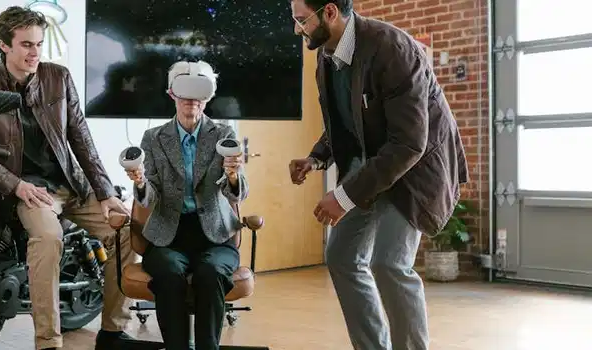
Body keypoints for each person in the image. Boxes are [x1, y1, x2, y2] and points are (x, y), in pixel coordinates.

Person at [0, 6, 138, 350]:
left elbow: (81, 138)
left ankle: (112, 331)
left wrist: (105, 192)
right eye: (26, 45)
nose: (34, 52)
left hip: (73, 185)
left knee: (126, 232)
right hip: (29, 192)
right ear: (3, 45)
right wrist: (15, 185)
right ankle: (49, 342)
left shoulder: (59, 77)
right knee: (49, 238)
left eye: (38, 44)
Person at [287, 1, 469, 349]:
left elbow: (408, 145)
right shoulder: (326, 57)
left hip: (412, 171)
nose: (297, 29)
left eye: (301, 20)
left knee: (389, 264)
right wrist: (316, 157)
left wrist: (342, 197)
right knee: (342, 257)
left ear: (329, 12)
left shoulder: (394, 49)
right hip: (371, 166)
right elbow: (346, 119)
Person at [125, 60, 249, 350]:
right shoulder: (153, 138)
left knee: (211, 273)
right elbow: (150, 195)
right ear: (172, 94)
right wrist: (141, 182)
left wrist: (232, 175)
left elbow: (238, 195)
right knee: (168, 272)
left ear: (208, 97)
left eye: (199, 94)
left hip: (215, 236)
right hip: (169, 234)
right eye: (184, 92)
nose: (191, 100)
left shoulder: (223, 135)